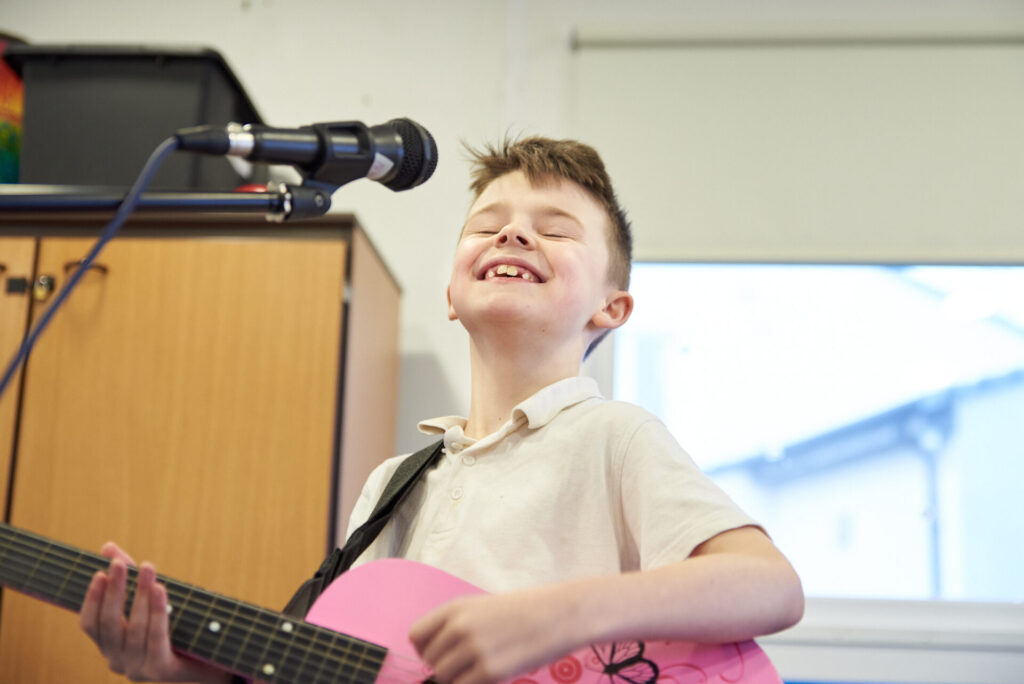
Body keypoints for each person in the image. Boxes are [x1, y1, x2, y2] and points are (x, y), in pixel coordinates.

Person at [78, 137, 805, 684]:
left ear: (610, 309)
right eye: (487, 225)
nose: (512, 234)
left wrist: (558, 615)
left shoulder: (614, 436)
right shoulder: (391, 486)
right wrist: (172, 671)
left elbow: (769, 585)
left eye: (555, 229)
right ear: (452, 296)